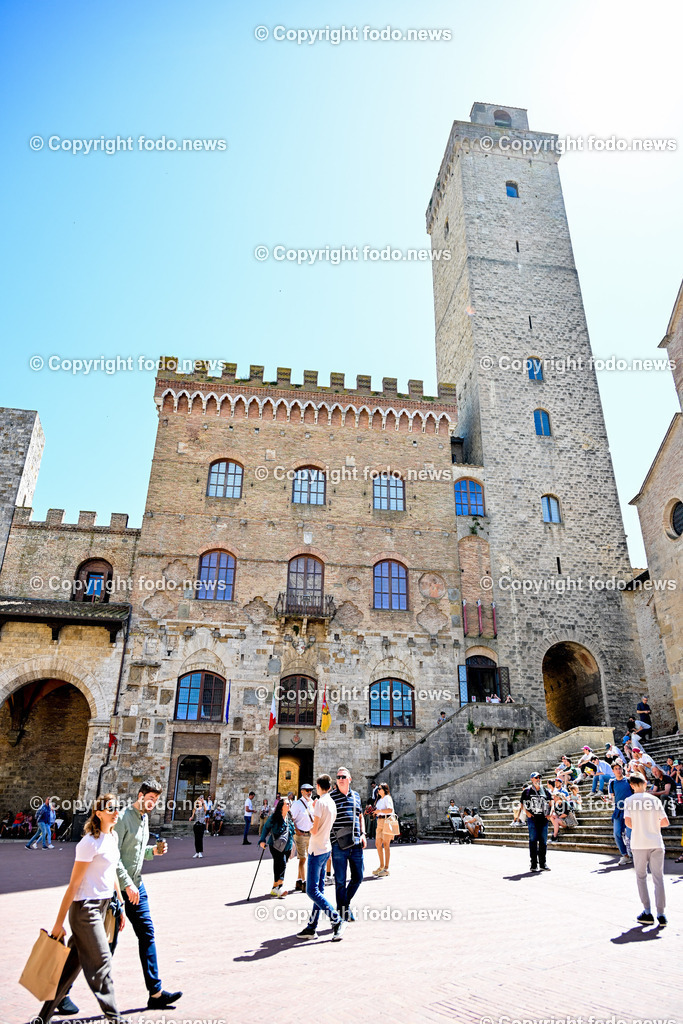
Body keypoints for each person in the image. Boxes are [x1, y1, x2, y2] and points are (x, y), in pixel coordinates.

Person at [36, 794, 125, 1024]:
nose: (116, 812)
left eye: (118, 808)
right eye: (111, 809)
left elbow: (112, 871)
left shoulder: (112, 837)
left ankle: (42, 1017)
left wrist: (120, 904)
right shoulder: (88, 843)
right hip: (86, 910)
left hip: (104, 906)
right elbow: (74, 885)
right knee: (102, 961)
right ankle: (115, 1017)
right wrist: (58, 923)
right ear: (98, 813)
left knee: (70, 967)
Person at [114, 779, 182, 1010]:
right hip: (116, 888)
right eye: (150, 798)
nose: (153, 803)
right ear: (141, 795)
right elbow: (112, 855)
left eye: (156, 800)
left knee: (147, 934)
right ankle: (62, 992)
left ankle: (155, 993)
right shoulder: (122, 818)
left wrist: (153, 851)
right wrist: (126, 885)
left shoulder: (144, 819)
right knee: (105, 944)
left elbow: (134, 852)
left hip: (137, 886)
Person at [297, 774, 345, 941]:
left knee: (312, 890)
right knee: (319, 890)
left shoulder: (320, 803)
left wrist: (308, 820)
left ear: (318, 786)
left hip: (316, 850)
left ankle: (336, 920)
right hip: (326, 848)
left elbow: (314, 830)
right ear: (330, 787)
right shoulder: (331, 803)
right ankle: (312, 927)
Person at [624, 772, 669, 926]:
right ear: (645, 783)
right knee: (658, 878)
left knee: (641, 877)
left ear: (631, 785)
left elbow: (628, 823)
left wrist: (641, 826)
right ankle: (661, 914)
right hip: (656, 842)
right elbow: (665, 822)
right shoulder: (654, 799)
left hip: (639, 843)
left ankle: (647, 911)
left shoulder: (629, 801)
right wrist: (652, 825)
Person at [330, 766, 367, 922]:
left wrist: (364, 834)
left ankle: (344, 904)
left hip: (356, 843)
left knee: (358, 877)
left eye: (343, 777)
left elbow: (360, 816)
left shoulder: (356, 796)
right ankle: (343, 911)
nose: (340, 779)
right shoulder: (331, 797)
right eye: (338, 777)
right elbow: (327, 819)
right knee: (340, 880)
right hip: (338, 844)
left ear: (350, 779)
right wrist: (331, 841)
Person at [259, 796, 295, 897]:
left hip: (287, 846)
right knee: (282, 863)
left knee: (278, 864)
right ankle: (280, 887)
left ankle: (275, 888)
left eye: (289, 803)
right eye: (287, 804)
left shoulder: (289, 816)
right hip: (275, 845)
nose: (289, 805)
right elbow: (266, 827)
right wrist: (262, 840)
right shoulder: (274, 817)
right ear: (281, 806)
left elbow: (291, 832)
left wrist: (293, 845)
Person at [519, 772, 552, 872]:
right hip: (532, 819)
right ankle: (533, 864)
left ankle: (543, 863)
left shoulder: (544, 790)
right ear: (531, 779)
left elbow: (552, 801)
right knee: (533, 841)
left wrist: (551, 812)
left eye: (539, 777)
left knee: (543, 841)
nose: (538, 779)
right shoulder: (527, 791)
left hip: (543, 819)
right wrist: (527, 813)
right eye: (536, 777)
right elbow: (521, 803)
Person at [290, 783, 314, 892]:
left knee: (308, 857)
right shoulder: (297, 804)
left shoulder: (312, 802)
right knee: (302, 858)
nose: (309, 792)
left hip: (310, 834)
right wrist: (297, 830)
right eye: (307, 790)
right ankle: (305, 882)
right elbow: (291, 819)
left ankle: (299, 880)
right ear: (302, 791)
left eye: (311, 790)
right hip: (300, 834)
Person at [608, 761, 633, 865]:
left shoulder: (629, 780)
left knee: (631, 834)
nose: (618, 770)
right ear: (613, 771)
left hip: (630, 811)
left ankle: (636, 854)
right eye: (616, 769)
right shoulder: (612, 783)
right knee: (617, 833)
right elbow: (612, 798)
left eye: (620, 768)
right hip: (618, 811)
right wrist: (608, 800)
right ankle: (625, 855)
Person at [373, 782, 395, 875]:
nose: (378, 790)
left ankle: (386, 868)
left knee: (386, 844)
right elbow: (378, 811)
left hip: (387, 821)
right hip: (380, 821)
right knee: (378, 843)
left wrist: (380, 811)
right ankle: (381, 866)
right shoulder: (379, 800)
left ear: (384, 790)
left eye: (380, 789)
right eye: (378, 789)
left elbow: (390, 810)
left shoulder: (387, 798)